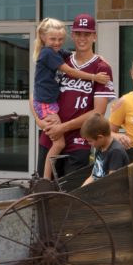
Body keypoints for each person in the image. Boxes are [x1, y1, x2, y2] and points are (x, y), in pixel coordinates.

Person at [37, 13, 116, 181]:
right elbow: (35, 93)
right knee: (43, 190)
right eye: (78, 33)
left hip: (79, 140)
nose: (82, 38)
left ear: (94, 36)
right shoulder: (60, 58)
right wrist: (40, 121)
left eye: (87, 34)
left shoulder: (102, 67)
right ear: (72, 35)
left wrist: (63, 127)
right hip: (50, 135)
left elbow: (98, 113)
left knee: (71, 193)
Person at [80, 114, 129, 186]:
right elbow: (94, 176)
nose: (89, 143)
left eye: (90, 141)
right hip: (99, 188)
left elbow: (112, 181)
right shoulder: (100, 147)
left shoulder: (115, 152)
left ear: (100, 137)